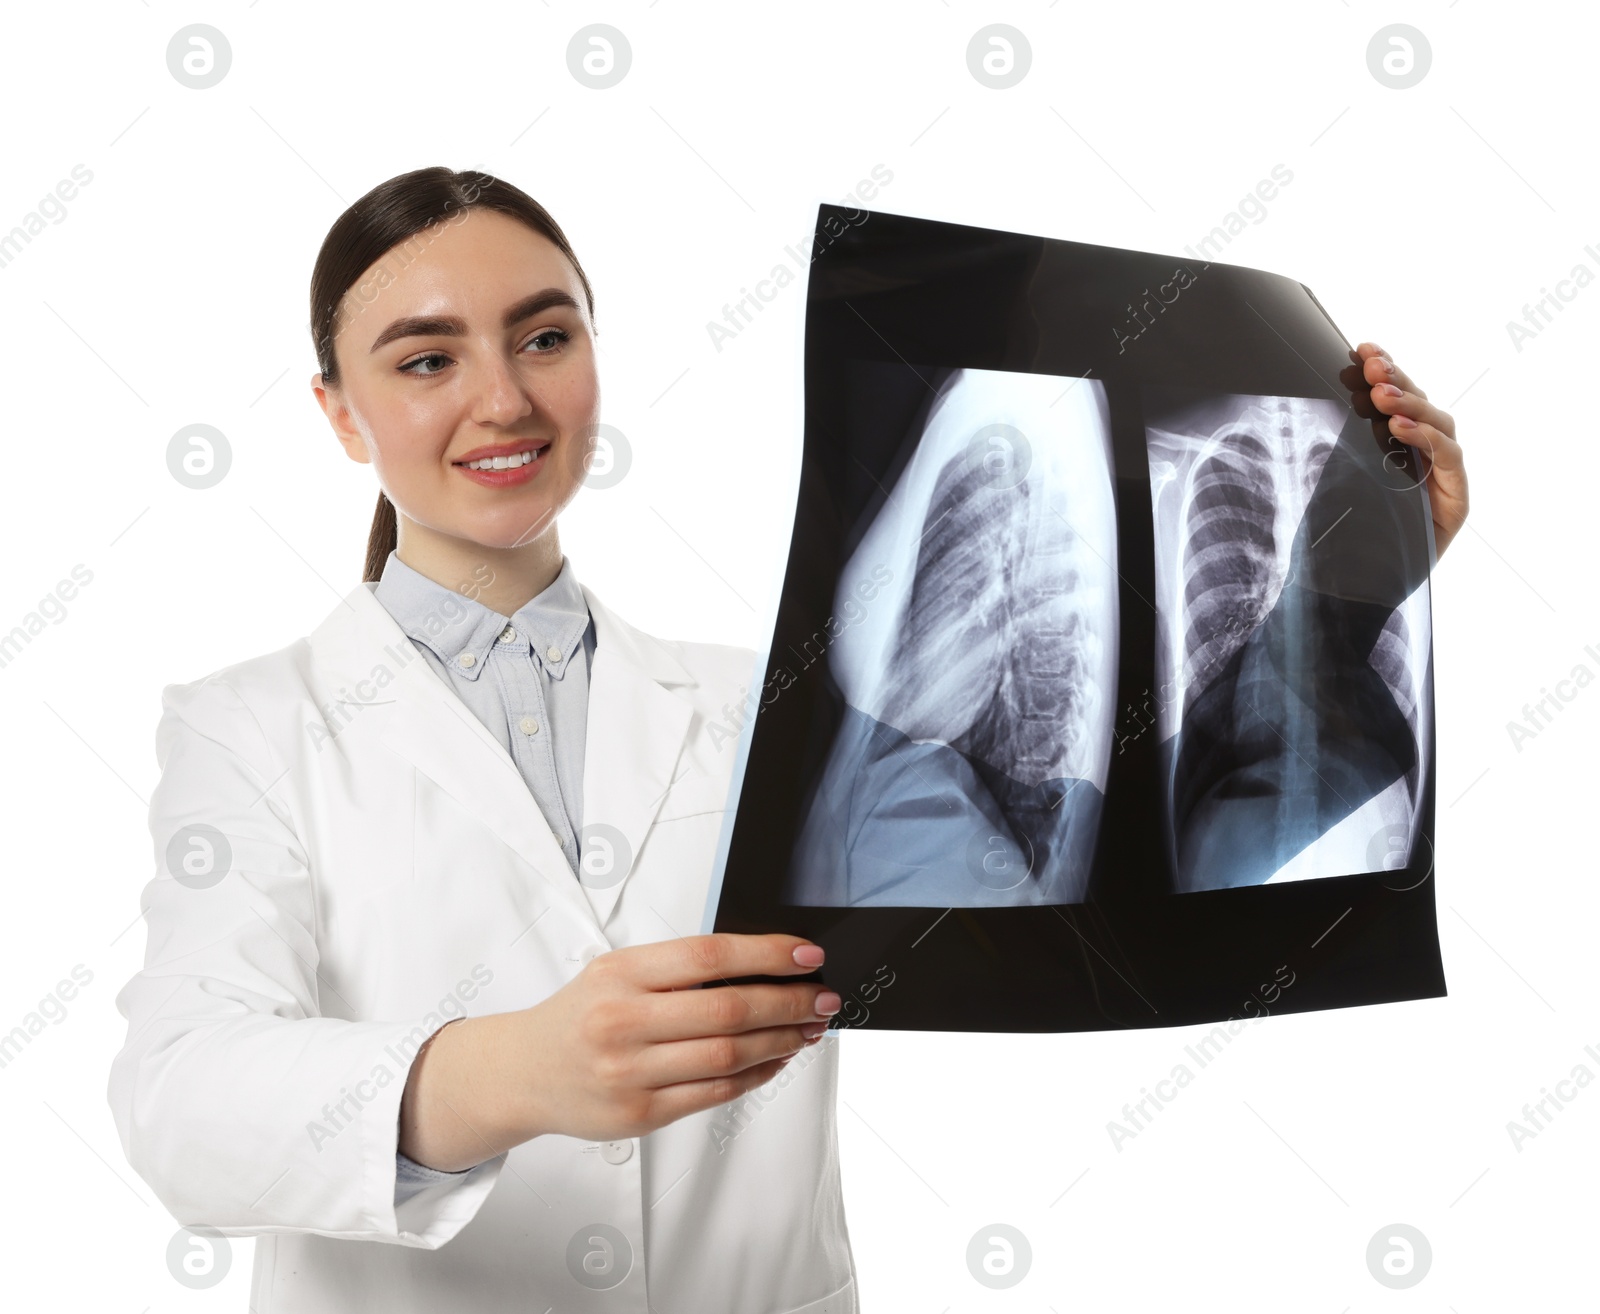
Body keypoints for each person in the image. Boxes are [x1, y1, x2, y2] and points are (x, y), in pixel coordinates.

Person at [106, 164, 1469, 1313]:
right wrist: (509, 1070)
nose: (505, 401)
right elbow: (177, 1098)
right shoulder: (247, 727)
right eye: (424, 359)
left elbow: (1126, 876)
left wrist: (1365, 563)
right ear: (337, 412)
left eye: (545, 336)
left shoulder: (771, 699)